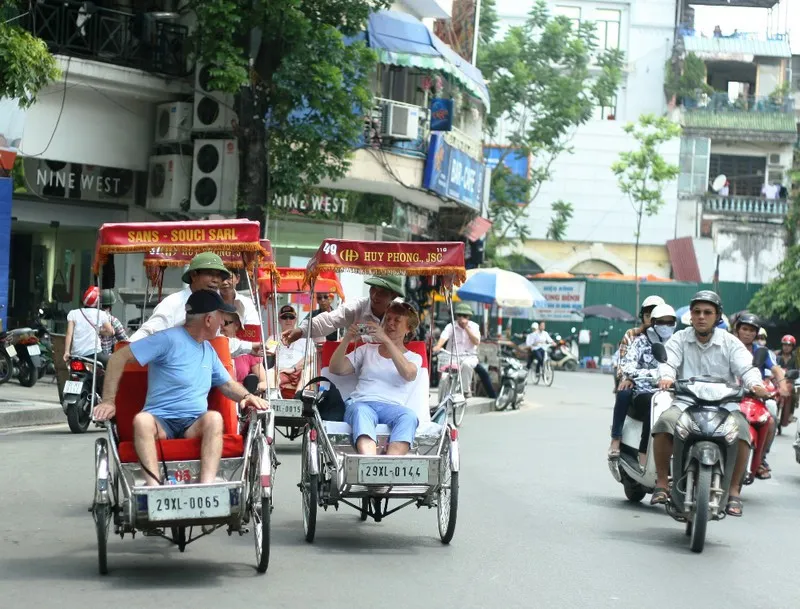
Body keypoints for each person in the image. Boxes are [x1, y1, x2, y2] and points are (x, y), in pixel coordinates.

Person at [93, 290, 268, 486]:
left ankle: (206, 487)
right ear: (209, 319)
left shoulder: (208, 349)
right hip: (160, 421)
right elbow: (118, 357)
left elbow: (227, 384)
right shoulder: (167, 339)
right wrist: (108, 400)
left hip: (193, 424)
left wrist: (247, 395)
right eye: (222, 318)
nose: (222, 324)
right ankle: (153, 488)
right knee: (142, 421)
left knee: (214, 418)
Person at [652, 291, 769, 517]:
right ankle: (661, 484)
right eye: (697, 312)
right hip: (687, 402)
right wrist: (666, 377)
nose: (701, 317)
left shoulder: (730, 342)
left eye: (707, 312)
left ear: (717, 317)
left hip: (725, 406)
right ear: (691, 316)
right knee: (664, 424)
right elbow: (668, 362)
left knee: (744, 433)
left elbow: (747, 368)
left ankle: (734, 492)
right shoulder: (680, 338)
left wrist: (756, 386)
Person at [329, 301, 422, 456]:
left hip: (393, 408)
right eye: (388, 320)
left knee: (409, 416)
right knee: (360, 412)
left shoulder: (413, 357)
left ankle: (390, 467)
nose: (390, 324)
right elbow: (336, 368)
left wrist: (386, 340)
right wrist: (347, 339)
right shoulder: (367, 350)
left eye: (397, 321)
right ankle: (370, 462)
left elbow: (408, 373)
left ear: (408, 329)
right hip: (362, 402)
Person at [129, 252, 260, 357]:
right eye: (210, 274)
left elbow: (217, 341)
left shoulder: (216, 305)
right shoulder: (173, 303)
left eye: (219, 276)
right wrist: (126, 351)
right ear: (193, 275)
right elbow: (148, 332)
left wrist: (250, 347)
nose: (216, 280)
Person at [608, 304, 677, 466]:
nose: (665, 327)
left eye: (669, 323)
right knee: (652, 406)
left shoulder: (677, 342)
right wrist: (652, 375)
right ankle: (642, 451)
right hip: (645, 390)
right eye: (661, 322)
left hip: (673, 392)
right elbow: (627, 365)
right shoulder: (640, 341)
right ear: (652, 322)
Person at [732, 313, 790, 479]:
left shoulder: (762, 352)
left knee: (770, 417)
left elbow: (776, 369)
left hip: (753, 397)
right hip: (728, 396)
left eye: (752, 330)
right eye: (744, 329)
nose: (748, 333)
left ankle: (761, 458)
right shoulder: (727, 346)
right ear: (737, 330)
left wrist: (783, 385)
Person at [283, 275, 404, 345]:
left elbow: (405, 339)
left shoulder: (401, 314)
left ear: (393, 296)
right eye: (373, 289)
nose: (375, 295)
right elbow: (329, 320)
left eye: (382, 292)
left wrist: (363, 338)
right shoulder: (357, 307)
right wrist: (300, 330)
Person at [615, 296, 665, 392]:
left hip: (661, 382)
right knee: (623, 394)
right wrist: (627, 379)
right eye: (647, 316)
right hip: (634, 381)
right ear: (642, 318)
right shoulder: (632, 334)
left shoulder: (668, 336)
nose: (651, 321)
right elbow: (622, 363)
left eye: (655, 317)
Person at [432, 303, 481, 397]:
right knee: (445, 374)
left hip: (468, 357)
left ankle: (466, 390)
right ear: (456, 316)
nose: (462, 318)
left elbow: (476, 342)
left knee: (466, 365)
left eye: (465, 316)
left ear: (469, 317)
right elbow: (444, 336)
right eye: (459, 315)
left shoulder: (474, 326)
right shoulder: (451, 326)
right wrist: (438, 346)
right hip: (452, 356)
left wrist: (466, 327)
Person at [63, 287, 115, 366]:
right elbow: (110, 331)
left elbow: (69, 334)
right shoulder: (101, 314)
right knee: (113, 363)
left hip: (76, 355)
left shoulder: (73, 313)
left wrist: (67, 352)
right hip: (94, 354)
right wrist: (99, 331)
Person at [221, 300, 266, 388]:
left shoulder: (249, 348)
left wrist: (257, 388)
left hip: (242, 396)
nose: (220, 327)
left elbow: (263, 381)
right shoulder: (212, 343)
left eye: (225, 323)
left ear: (237, 325)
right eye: (219, 323)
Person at [265, 304, 308, 395]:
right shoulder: (275, 337)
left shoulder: (305, 338)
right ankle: (274, 399)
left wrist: (294, 368)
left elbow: (310, 357)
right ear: (279, 320)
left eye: (291, 317)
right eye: (284, 317)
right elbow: (268, 352)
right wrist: (278, 339)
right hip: (280, 371)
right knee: (270, 373)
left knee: (308, 371)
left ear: (295, 320)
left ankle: (299, 397)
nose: (288, 320)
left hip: (299, 371)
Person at [99, 289, 129, 356]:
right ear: (111, 306)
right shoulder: (113, 321)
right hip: (105, 357)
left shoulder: (91, 318)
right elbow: (125, 340)